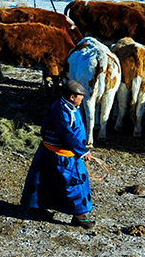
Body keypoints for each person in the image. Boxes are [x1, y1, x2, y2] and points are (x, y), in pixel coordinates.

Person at [20, 79, 96, 229]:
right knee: (73, 185)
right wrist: (82, 151)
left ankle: (71, 213)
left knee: (49, 182)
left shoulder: (72, 107)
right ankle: (78, 216)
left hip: (65, 154)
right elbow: (66, 134)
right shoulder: (60, 110)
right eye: (80, 96)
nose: (82, 98)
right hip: (58, 155)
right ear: (72, 97)